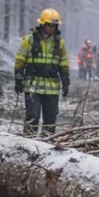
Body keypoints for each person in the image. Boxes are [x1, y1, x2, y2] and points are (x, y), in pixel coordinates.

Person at [14, 8, 70, 137]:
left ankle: (48, 145)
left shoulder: (59, 43)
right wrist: (18, 79)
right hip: (32, 85)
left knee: (50, 120)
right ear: (43, 24)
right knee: (32, 118)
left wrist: (66, 81)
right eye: (50, 25)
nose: (52, 28)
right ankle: (28, 143)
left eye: (54, 25)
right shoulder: (29, 40)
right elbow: (20, 61)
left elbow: (64, 64)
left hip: (52, 88)